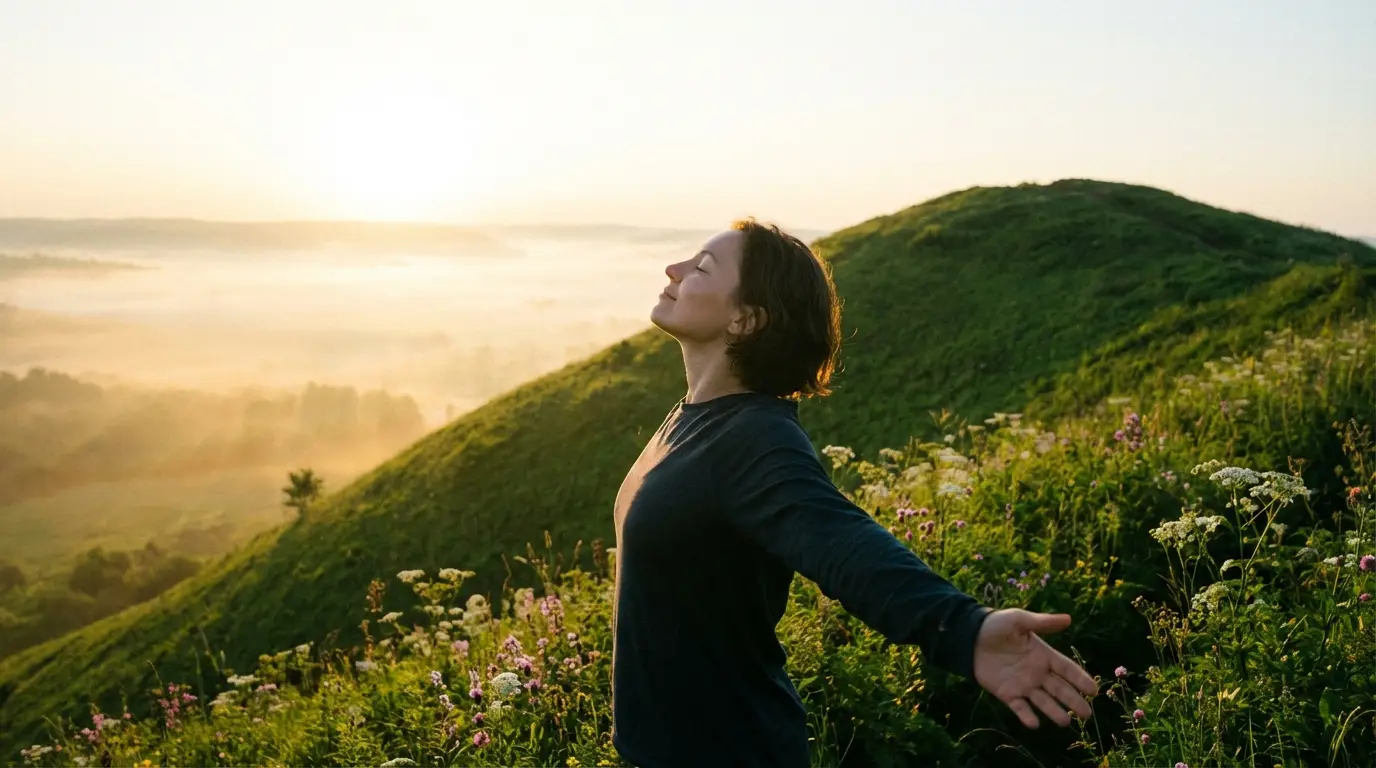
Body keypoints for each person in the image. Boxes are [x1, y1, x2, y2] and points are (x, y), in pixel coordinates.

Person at [609, 218, 1099, 767]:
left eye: (700, 267)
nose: (674, 270)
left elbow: (842, 541)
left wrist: (964, 630)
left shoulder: (755, 438)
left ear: (746, 319)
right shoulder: (694, 417)